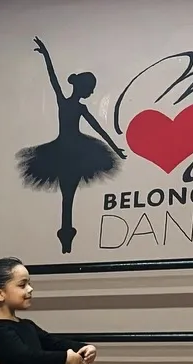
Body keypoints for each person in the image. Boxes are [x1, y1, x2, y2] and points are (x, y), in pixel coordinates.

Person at [16, 37, 128, 254]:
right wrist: (46, 54)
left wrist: (115, 148)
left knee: (68, 196)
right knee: (68, 195)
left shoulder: (70, 104)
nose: (92, 93)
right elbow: (52, 78)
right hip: (70, 152)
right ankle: (66, 235)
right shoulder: (70, 103)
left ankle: (66, 235)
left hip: (70, 151)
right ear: (83, 88)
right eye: (91, 89)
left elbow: (98, 128)